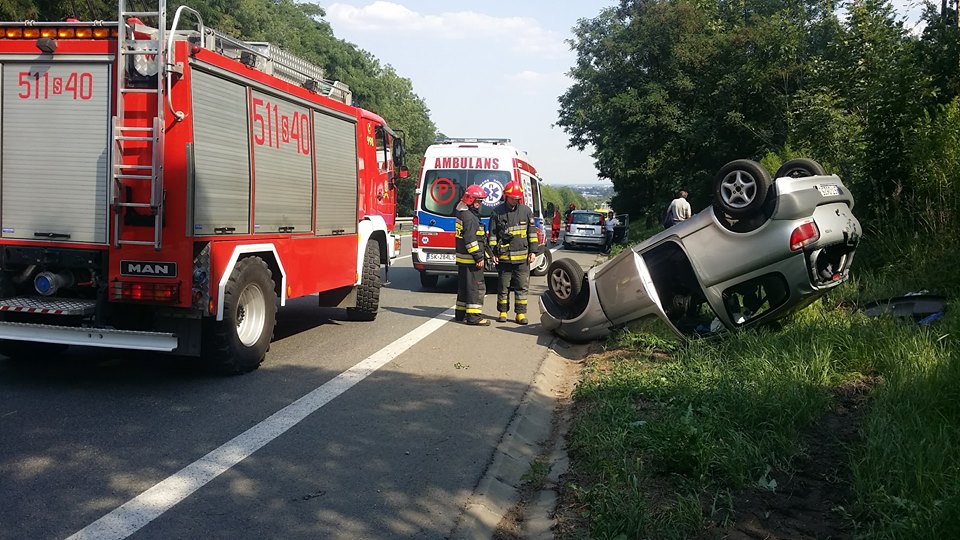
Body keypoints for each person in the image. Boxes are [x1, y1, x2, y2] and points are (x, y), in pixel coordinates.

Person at [488, 180, 539, 325]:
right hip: (504, 258)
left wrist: (533, 251)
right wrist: (493, 254)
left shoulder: (526, 211)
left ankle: (520, 314)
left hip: (523, 258)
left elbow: (532, 233)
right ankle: (502, 312)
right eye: (513, 198)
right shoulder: (497, 212)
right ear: (506, 196)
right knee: (503, 287)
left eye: (517, 198)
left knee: (522, 287)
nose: (515, 200)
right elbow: (492, 235)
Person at [455, 184, 490, 326]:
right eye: (478, 201)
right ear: (470, 200)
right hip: (471, 260)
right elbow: (470, 240)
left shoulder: (462, 214)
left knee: (464, 288)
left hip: (463, 259)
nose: (479, 204)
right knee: (476, 288)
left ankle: (460, 314)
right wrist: (479, 257)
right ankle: (474, 317)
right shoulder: (469, 218)